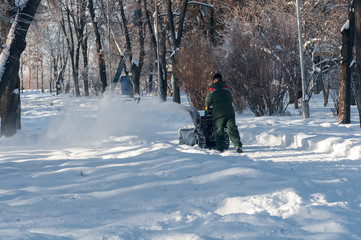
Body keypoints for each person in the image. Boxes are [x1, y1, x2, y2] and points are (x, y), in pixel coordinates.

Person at [205, 73, 243, 153]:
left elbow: (208, 101)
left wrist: (207, 107)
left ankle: (220, 149)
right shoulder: (227, 87)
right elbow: (230, 98)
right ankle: (237, 145)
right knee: (232, 128)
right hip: (229, 111)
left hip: (218, 113)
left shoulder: (212, 88)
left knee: (219, 131)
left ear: (215, 80)